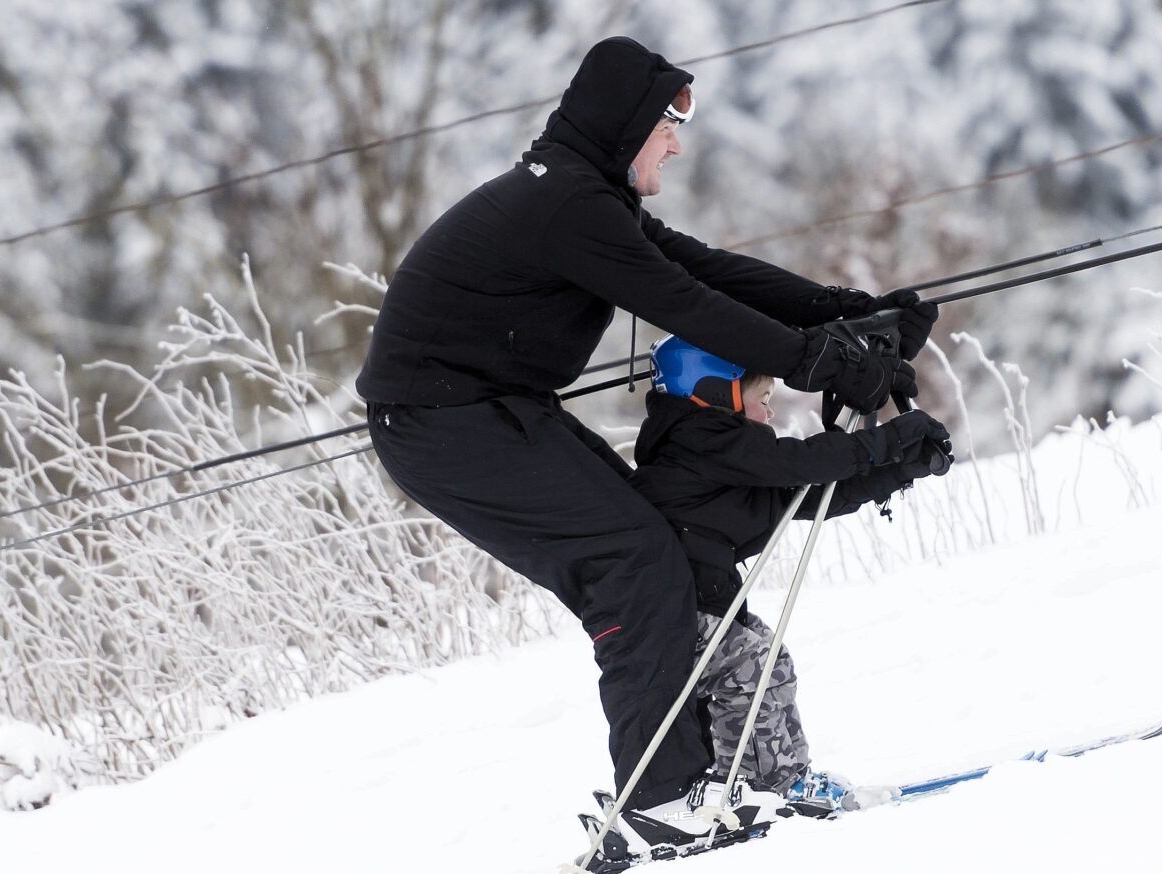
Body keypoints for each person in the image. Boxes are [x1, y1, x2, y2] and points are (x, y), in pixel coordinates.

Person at [354, 35, 944, 829]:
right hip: (443, 423)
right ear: (625, 123)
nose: (677, 139)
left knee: (656, 544)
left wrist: (846, 313)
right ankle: (662, 799)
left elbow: (708, 271)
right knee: (632, 558)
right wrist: (820, 363)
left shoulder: (586, 198)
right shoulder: (568, 207)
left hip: (491, 410)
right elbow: (686, 306)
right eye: (667, 121)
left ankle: (718, 774)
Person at [627, 336, 953, 827]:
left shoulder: (714, 458)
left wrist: (899, 468)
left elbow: (798, 496)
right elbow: (796, 464)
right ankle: (762, 785)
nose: (769, 416)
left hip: (694, 606)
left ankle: (781, 778)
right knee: (751, 664)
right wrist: (889, 438)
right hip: (665, 615)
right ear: (717, 392)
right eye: (762, 402)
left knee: (765, 656)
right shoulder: (698, 440)